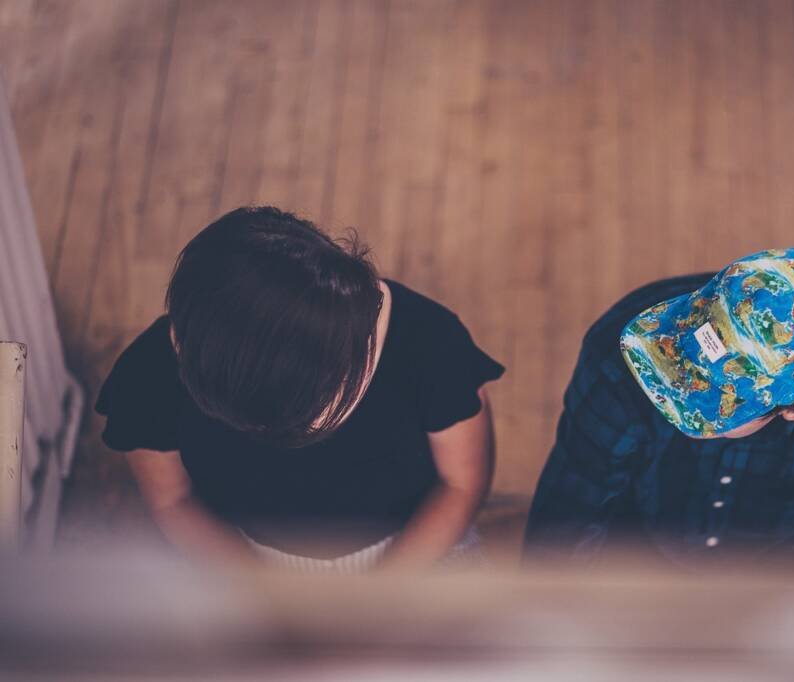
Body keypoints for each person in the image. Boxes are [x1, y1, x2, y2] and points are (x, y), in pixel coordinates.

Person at [96, 206, 504, 572]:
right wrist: (264, 595)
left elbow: (461, 485)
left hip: (414, 549)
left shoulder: (429, 343)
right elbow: (173, 501)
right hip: (236, 555)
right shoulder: (152, 373)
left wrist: (382, 596)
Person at [524, 248, 794, 565]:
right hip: (642, 545)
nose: (669, 383)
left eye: (704, 401)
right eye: (676, 354)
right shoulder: (619, 351)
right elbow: (571, 505)